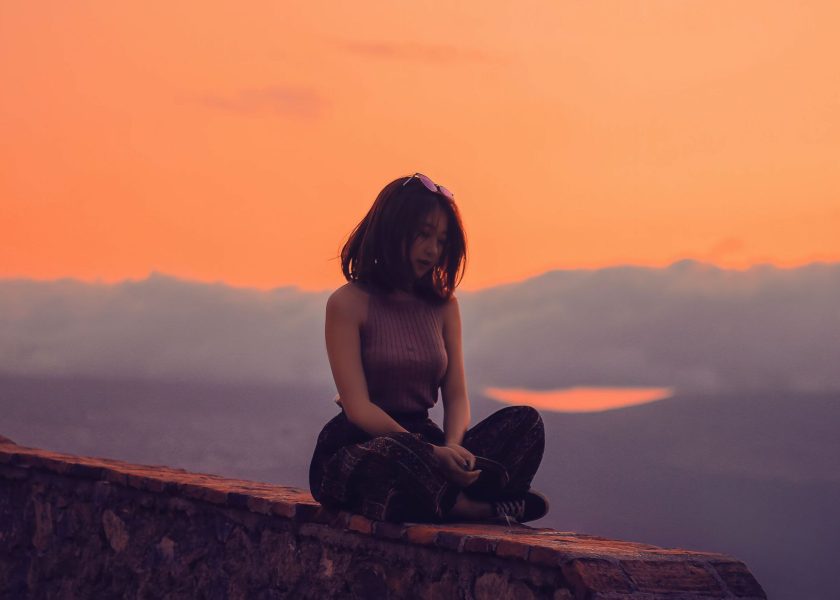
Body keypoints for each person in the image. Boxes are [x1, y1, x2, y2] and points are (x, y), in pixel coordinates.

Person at [308, 172, 548, 525]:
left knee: (526, 423)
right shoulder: (347, 304)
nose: (432, 250)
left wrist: (451, 447)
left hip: (429, 442)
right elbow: (357, 408)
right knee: (396, 455)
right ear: (391, 230)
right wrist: (430, 455)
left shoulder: (444, 306)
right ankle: (474, 508)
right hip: (365, 445)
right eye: (422, 235)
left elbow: (456, 397)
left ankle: (447, 496)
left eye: (441, 240)